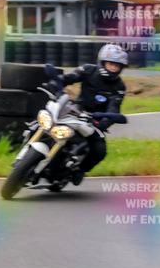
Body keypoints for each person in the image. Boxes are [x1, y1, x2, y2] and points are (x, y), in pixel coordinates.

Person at [43, 43, 129, 184]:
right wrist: (54, 84)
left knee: (100, 150)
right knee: (46, 121)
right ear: (103, 62)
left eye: (117, 65)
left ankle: (80, 169)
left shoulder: (119, 86)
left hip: (95, 120)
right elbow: (69, 78)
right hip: (75, 110)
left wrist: (106, 121)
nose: (114, 67)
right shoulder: (89, 70)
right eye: (111, 63)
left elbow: (114, 106)